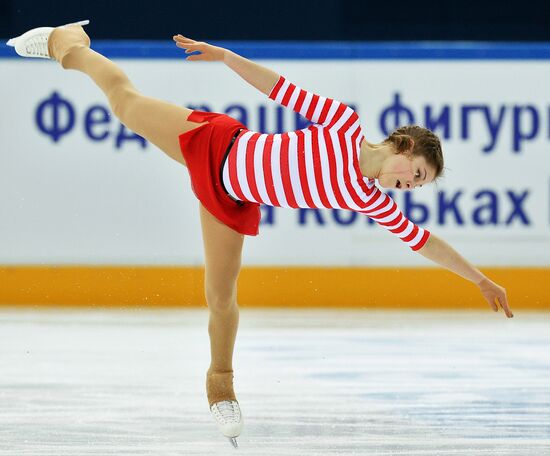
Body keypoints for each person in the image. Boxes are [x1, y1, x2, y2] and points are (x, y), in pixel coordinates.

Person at [7, 22, 513, 448]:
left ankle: (220, 388)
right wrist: (225, 55)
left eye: (416, 185)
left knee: (220, 298)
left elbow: (424, 241)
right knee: (124, 103)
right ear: (403, 145)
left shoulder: (370, 198)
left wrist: (479, 279)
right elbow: (280, 89)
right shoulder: (343, 124)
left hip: (231, 200)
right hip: (215, 144)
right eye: (415, 173)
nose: (408, 186)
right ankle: (68, 43)